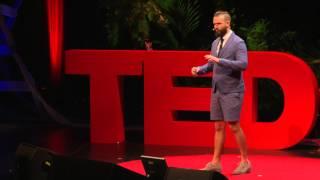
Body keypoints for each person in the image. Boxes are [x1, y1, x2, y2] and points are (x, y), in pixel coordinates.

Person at [191, 10, 251, 175]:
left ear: (227, 23)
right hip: (217, 90)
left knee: (233, 126)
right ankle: (216, 162)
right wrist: (199, 70)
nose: (215, 27)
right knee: (218, 126)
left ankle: (245, 161)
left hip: (232, 90)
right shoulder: (215, 43)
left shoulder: (238, 43)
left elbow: (243, 64)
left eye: (218, 24)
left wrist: (219, 60)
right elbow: (211, 66)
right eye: (214, 24)